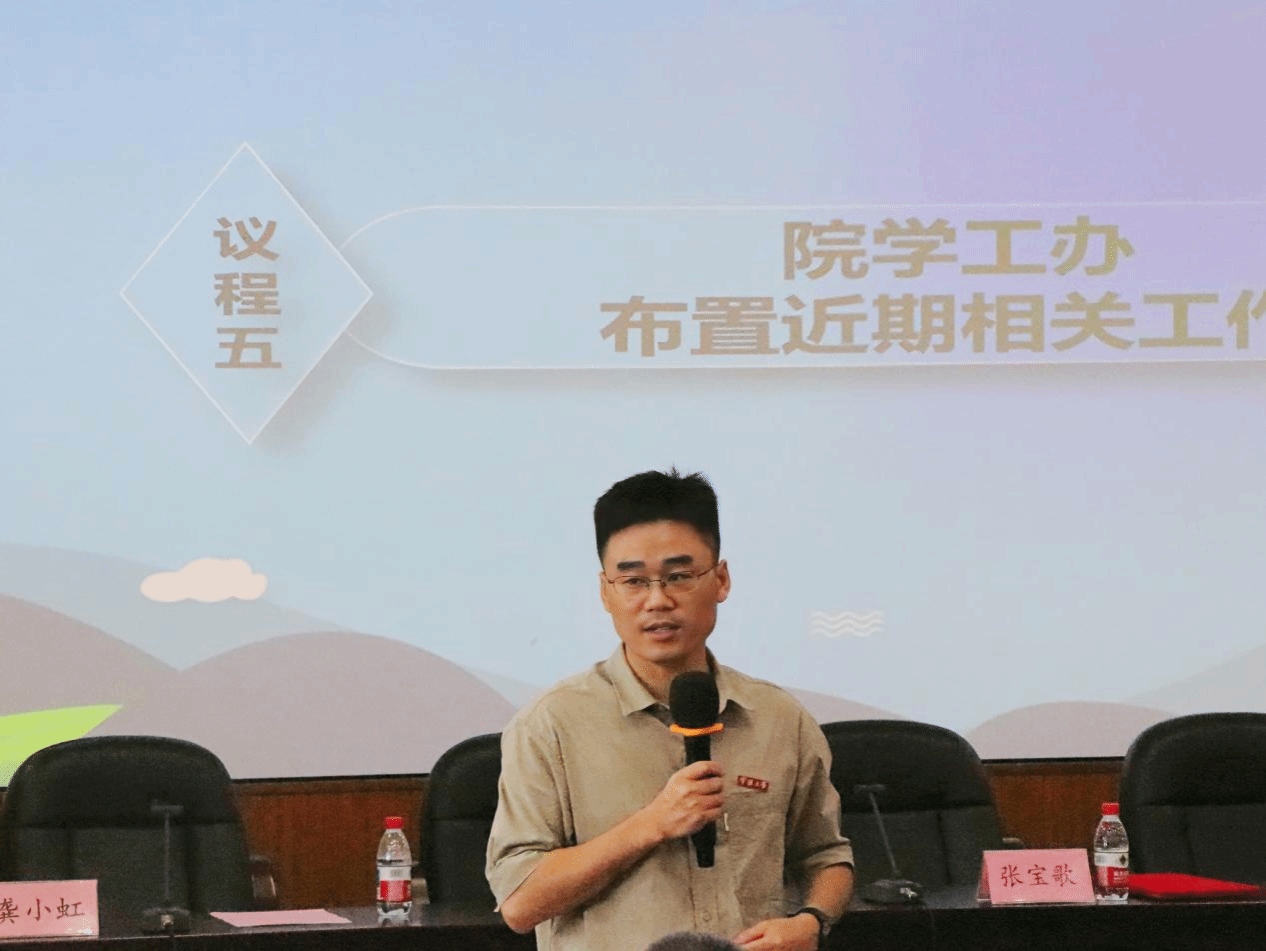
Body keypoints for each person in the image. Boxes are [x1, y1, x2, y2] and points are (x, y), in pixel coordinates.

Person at [486, 469, 854, 951]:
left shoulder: (779, 718)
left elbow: (826, 857)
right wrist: (652, 823)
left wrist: (811, 922)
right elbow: (519, 903)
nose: (657, 601)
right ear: (605, 592)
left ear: (721, 580)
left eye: (679, 576)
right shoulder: (549, 725)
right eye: (633, 581)